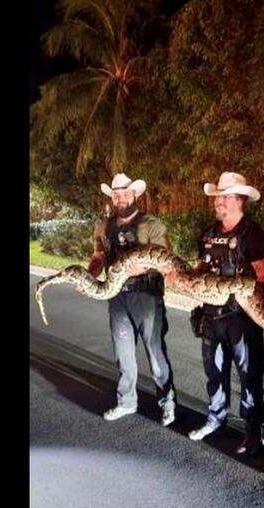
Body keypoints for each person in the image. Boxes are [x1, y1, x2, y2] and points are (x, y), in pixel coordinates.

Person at [175, 172, 264, 456]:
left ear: (240, 200)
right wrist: (184, 279)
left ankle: (254, 430)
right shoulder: (208, 233)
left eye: (224, 197)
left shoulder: (253, 234)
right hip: (210, 316)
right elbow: (199, 270)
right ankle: (215, 418)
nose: (218, 202)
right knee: (214, 372)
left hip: (241, 318)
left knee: (248, 375)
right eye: (217, 197)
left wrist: (231, 287)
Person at [86, 172, 176, 426]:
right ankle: (126, 402)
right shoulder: (103, 226)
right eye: (116, 194)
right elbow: (98, 257)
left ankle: (167, 402)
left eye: (125, 193)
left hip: (146, 296)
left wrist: (140, 269)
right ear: (112, 197)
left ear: (134, 194)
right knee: (123, 354)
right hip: (117, 297)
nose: (121, 198)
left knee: (155, 352)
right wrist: (88, 275)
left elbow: (166, 262)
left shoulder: (152, 225)